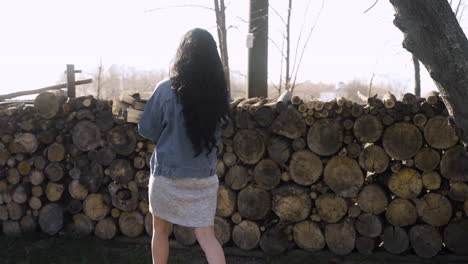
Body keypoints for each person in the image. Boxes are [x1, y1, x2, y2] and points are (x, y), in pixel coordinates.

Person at [138, 28, 229, 264]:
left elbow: (147, 129)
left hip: (166, 177)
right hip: (203, 178)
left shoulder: (165, 89)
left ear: (182, 55)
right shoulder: (218, 95)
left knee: (160, 231)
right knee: (207, 237)